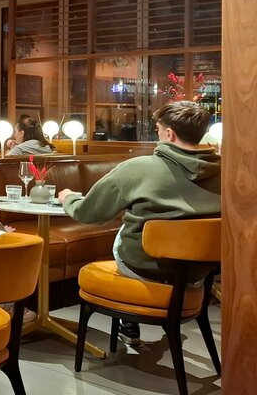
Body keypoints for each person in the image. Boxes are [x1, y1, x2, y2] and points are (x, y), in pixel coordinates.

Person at [59, 101, 220, 341]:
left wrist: (69, 198)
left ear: (169, 134)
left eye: (158, 129)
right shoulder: (224, 171)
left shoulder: (139, 168)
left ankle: (129, 321)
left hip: (144, 269)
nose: (157, 135)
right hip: (197, 274)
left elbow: (89, 214)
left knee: (126, 228)